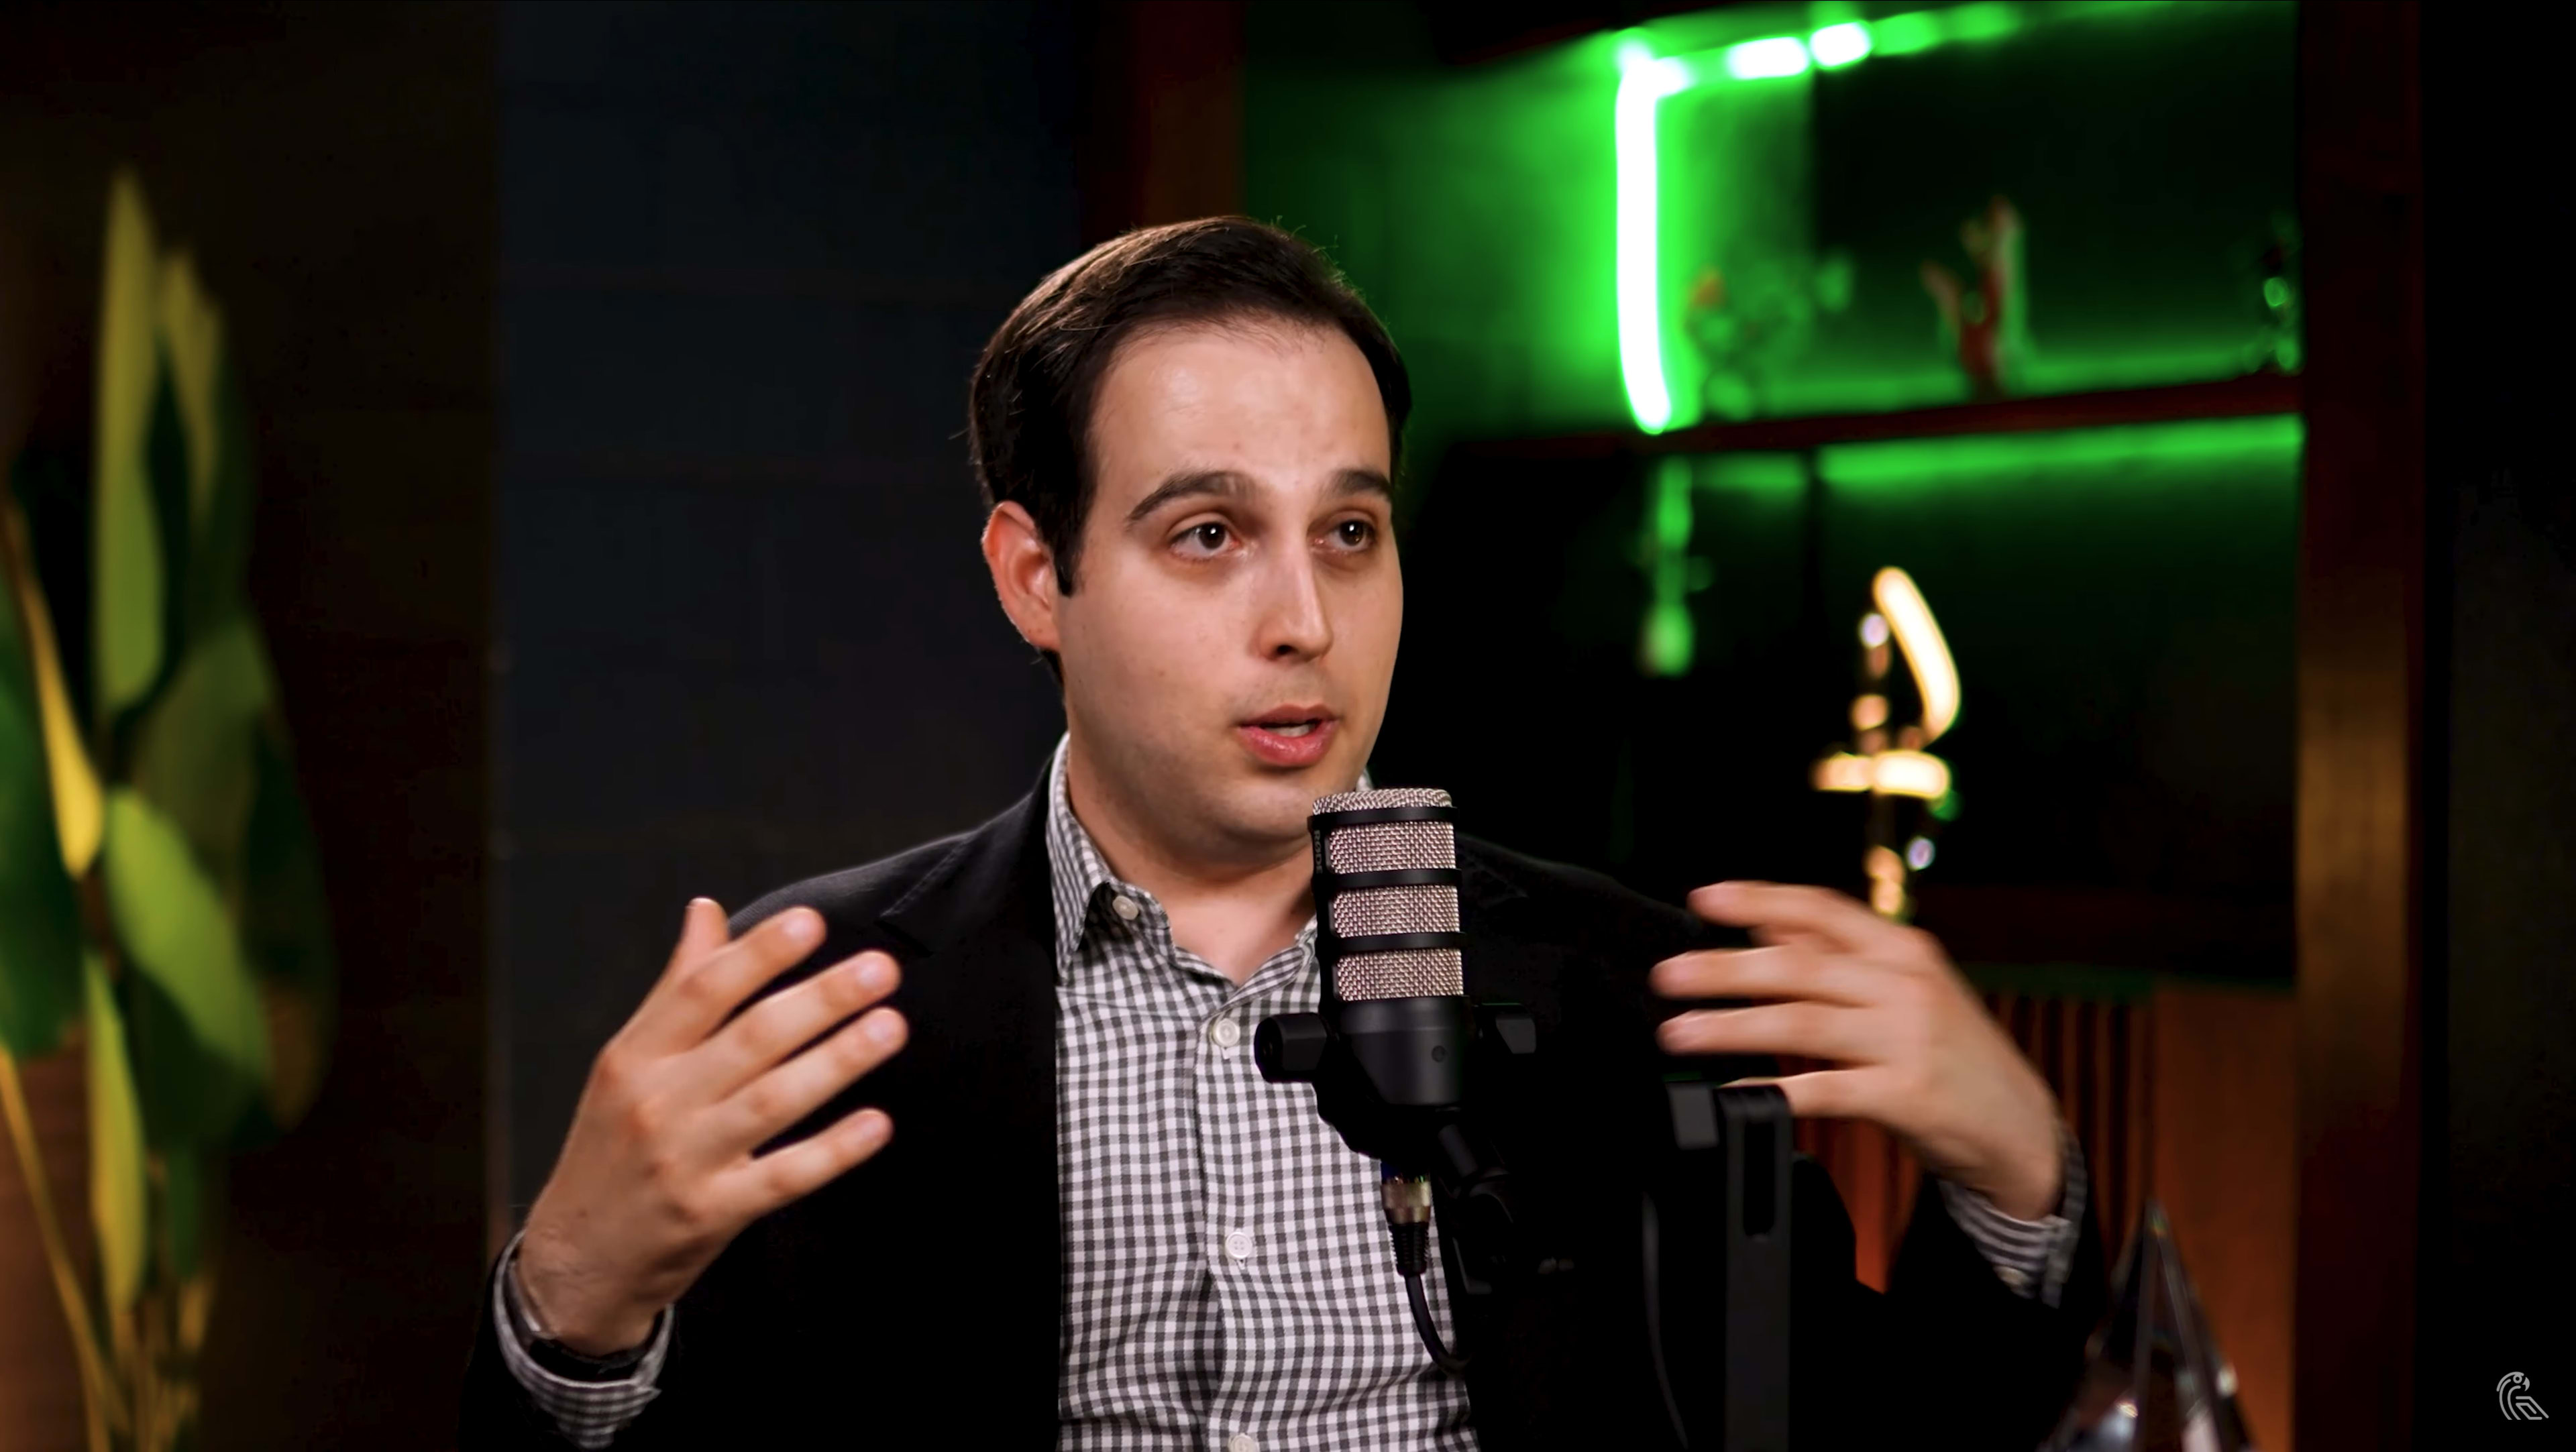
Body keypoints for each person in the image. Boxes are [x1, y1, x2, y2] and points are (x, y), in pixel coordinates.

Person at [460, 218, 2102, 1449]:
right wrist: (570, 1308)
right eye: (1208, 534)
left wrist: (2016, 1174)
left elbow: (1861, 1433)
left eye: (1352, 532)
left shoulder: (1627, 988)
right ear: (1036, 577)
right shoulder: (825, 1004)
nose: (1305, 620)